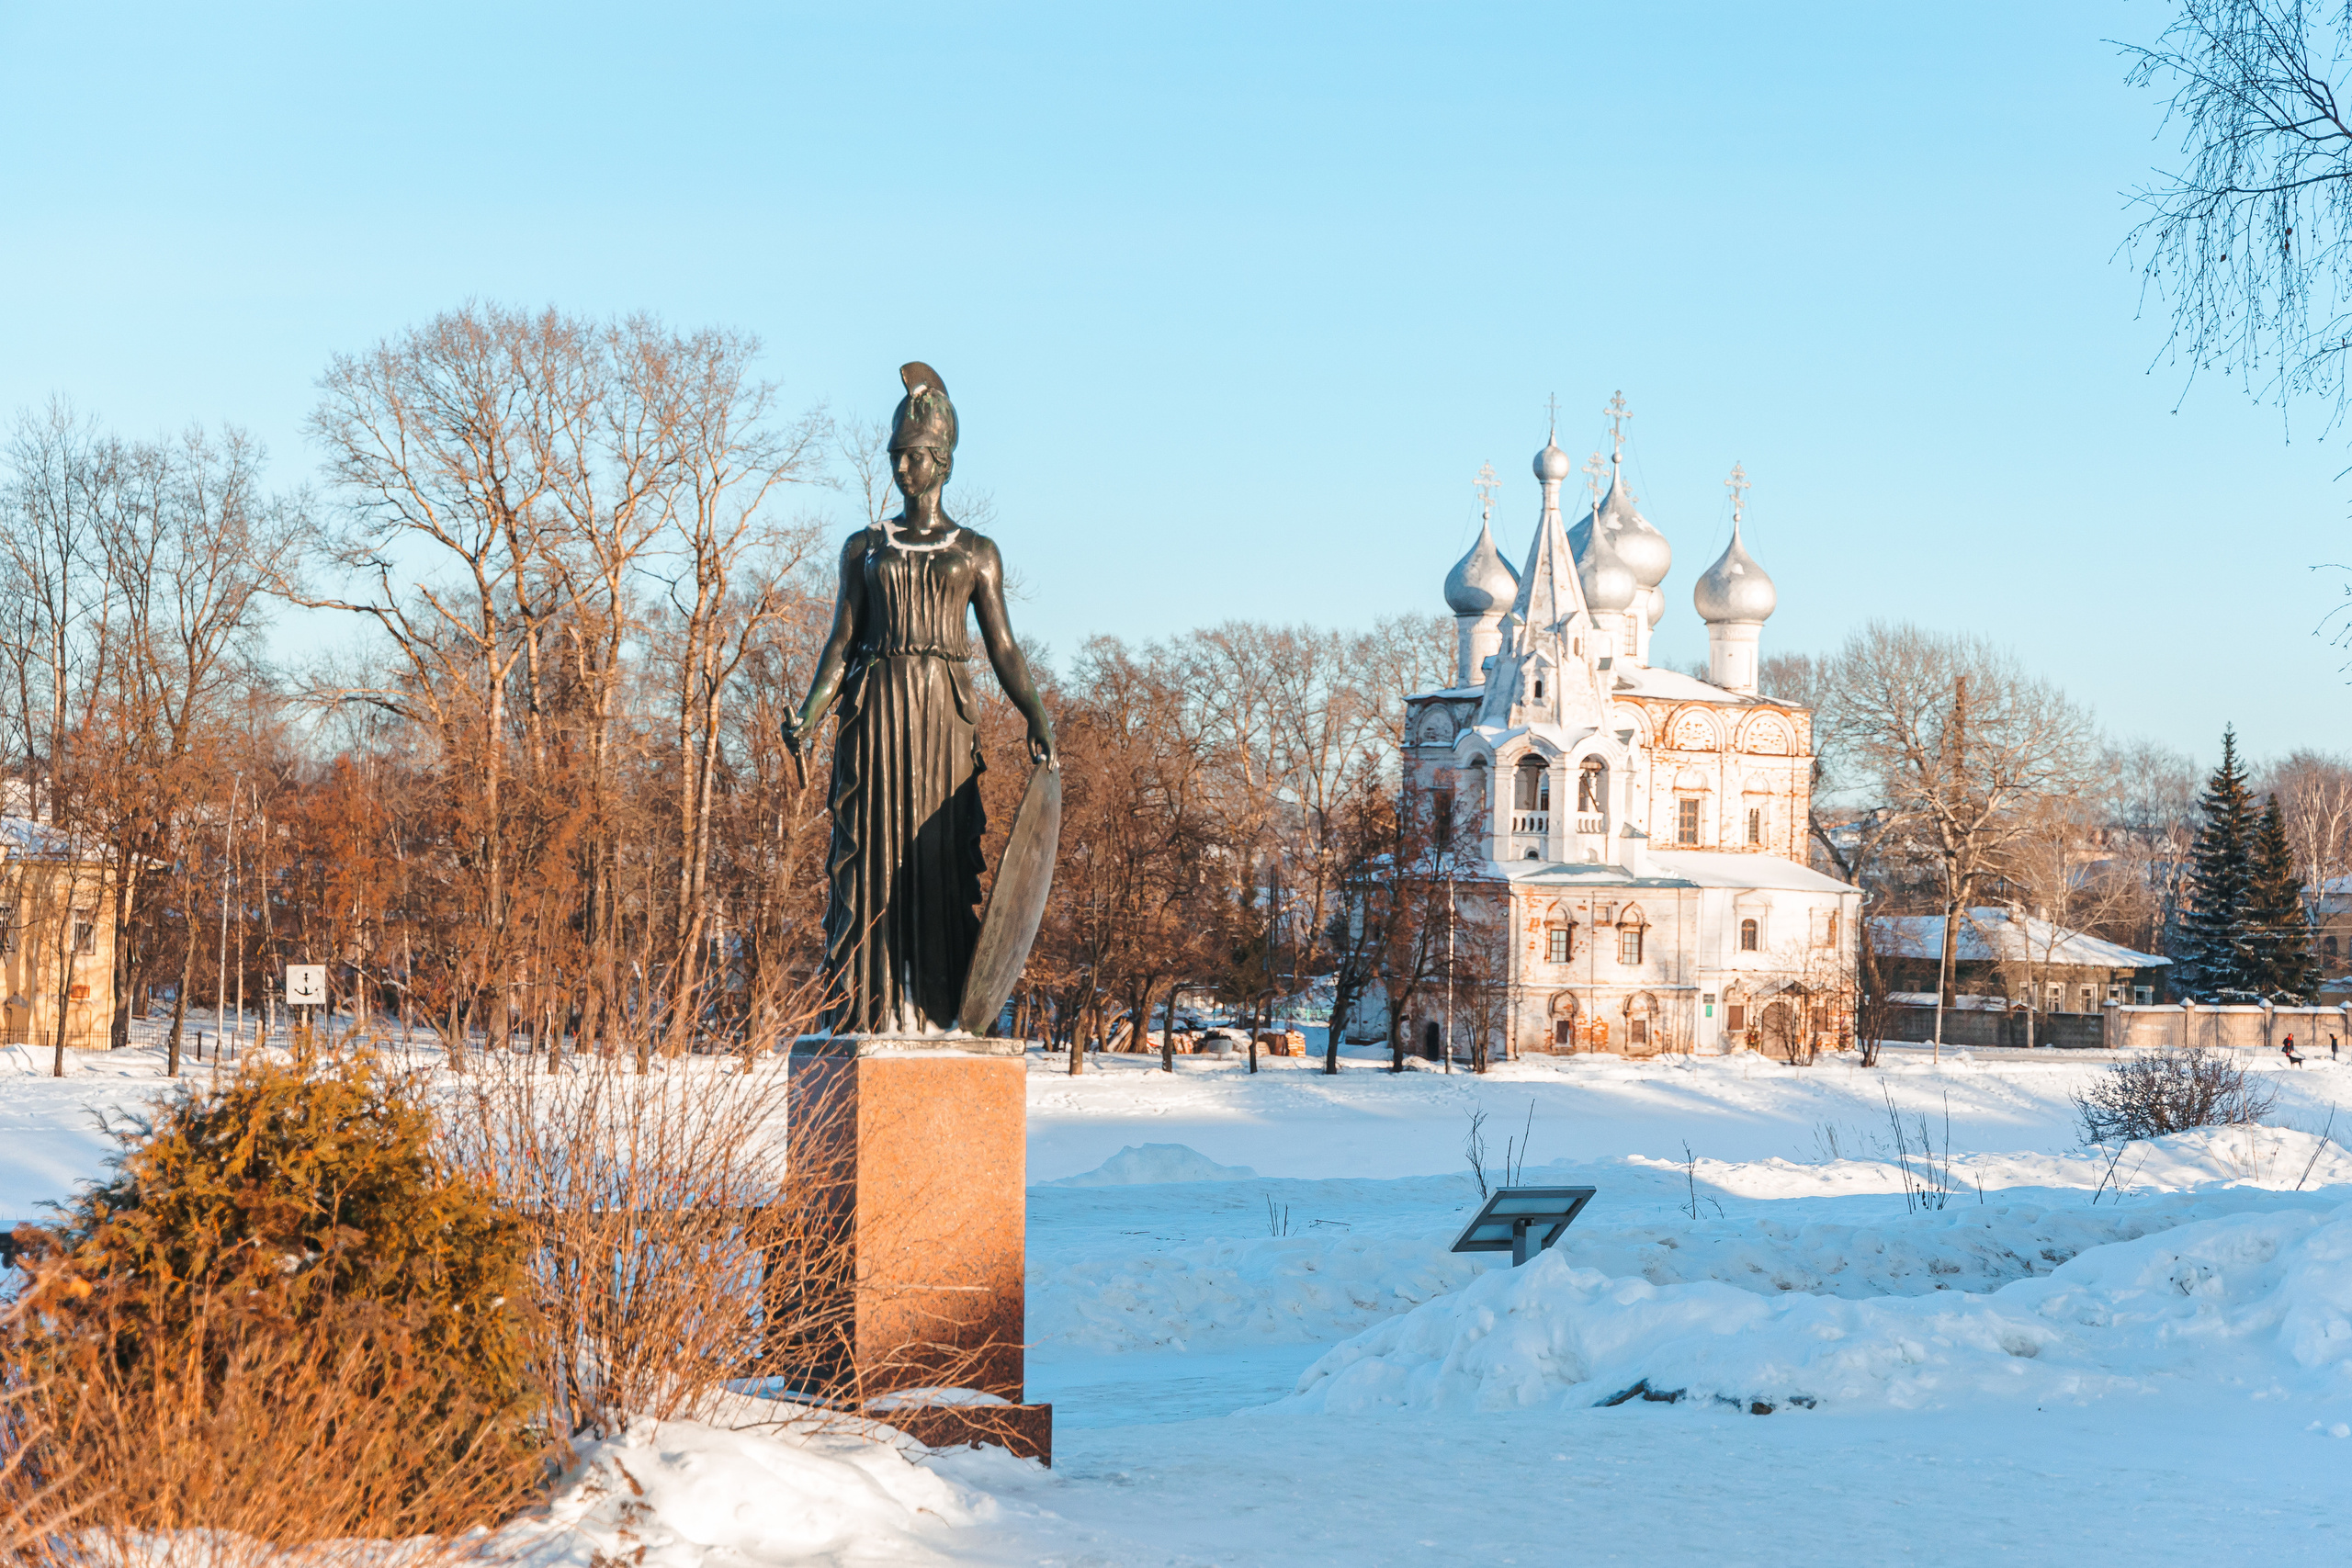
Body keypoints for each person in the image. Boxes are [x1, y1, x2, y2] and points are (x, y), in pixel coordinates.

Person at [785, 363, 1056, 1036]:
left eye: (916, 457)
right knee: (875, 856)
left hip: (942, 722)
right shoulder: (865, 547)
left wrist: (1037, 716)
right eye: (897, 458)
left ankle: (937, 1007)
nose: (904, 470)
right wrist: (811, 712)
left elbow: (1005, 651)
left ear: (944, 462)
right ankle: (873, 1005)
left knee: (934, 856)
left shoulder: (976, 552)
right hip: (877, 716)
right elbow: (840, 643)